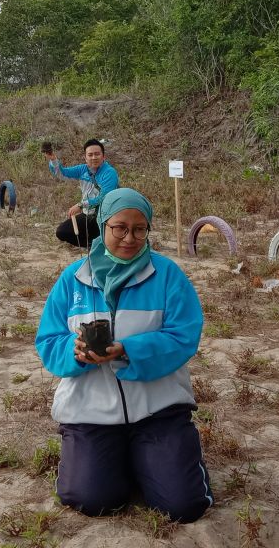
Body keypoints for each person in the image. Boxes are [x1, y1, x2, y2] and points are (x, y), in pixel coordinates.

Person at [35, 188, 212, 524]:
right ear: (103, 226)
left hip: (157, 408)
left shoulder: (167, 275)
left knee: (184, 505)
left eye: (139, 229)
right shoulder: (72, 279)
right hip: (91, 410)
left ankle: (153, 456)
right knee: (91, 498)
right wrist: (72, 352)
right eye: (120, 228)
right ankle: (125, 461)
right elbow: (48, 340)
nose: (130, 238)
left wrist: (128, 350)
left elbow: (183, 336)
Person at [43, 139, 119, 248]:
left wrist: (81, 205)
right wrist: (53, 159)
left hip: (105, 217)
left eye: (97, 154)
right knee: (61, 232)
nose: (94, 157)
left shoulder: (109, 173)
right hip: (87, 215)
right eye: (90, 155)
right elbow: (62, 174)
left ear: (103, 156)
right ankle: (93, 245)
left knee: (109, 236)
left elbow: (104, 198)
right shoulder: (82, 169)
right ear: (85, 157)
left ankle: (100, 242)